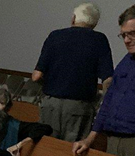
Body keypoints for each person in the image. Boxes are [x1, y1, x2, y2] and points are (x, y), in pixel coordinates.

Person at [73, 3, 135, 156]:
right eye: (123, 35)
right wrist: (90, 139)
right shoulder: (127, 61)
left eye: (132, 34)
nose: (126, 40)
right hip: (113, 140)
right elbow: (108, 101)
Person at [32, 3, 114, 142]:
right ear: (94, 23)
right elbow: (108, 79)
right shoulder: (99, 40)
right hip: (79, 108)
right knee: (71, 154)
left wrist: (51, 86)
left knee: (45, 149)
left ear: (73, 18)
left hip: (50, 105)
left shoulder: (55, 36)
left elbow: (36, 76)